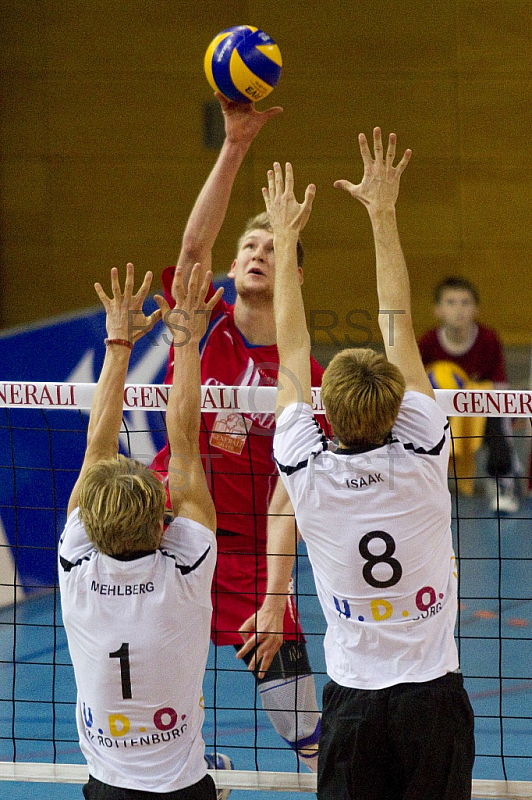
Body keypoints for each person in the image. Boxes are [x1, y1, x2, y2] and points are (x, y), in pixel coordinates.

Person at [249, 131, 475, 799]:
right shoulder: (426, 451)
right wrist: (382, 213)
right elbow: (398, 326)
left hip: (352, 704)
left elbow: (292, 347)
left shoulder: (305, 469)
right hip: (432, 699)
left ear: (328, 414)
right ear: (396, 406)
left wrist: (287, 242)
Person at [150, 93, 324, 771]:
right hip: (176, 535)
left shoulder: (303, 369)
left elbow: (296, 495)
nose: (255, 252)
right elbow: (193, 247)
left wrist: (279, 596)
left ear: (295, 276)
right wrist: (235, 145)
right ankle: (186, 773)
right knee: (159, 704)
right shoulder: (204, 322)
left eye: (273, 247)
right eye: (248, 244)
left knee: (305, 731)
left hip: (258, 559)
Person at [59, 262, 224, 799]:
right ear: (162, 525)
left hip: (107, 788)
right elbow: (185, 448)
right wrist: (189, 342)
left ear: (93, 524)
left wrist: (116, 344)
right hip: (182, 787)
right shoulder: (188, 564)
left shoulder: (75, 563)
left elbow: (96, 449)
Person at [418, 276, 520, 513]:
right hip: (441, 414)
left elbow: (500, 387)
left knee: (499, 424)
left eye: (465, 303)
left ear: (475, 308)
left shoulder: (488, 340)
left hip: (479, 414)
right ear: (438, 310)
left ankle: (502, 484)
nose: (459, 310)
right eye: (451, 302)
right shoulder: (428, 342)